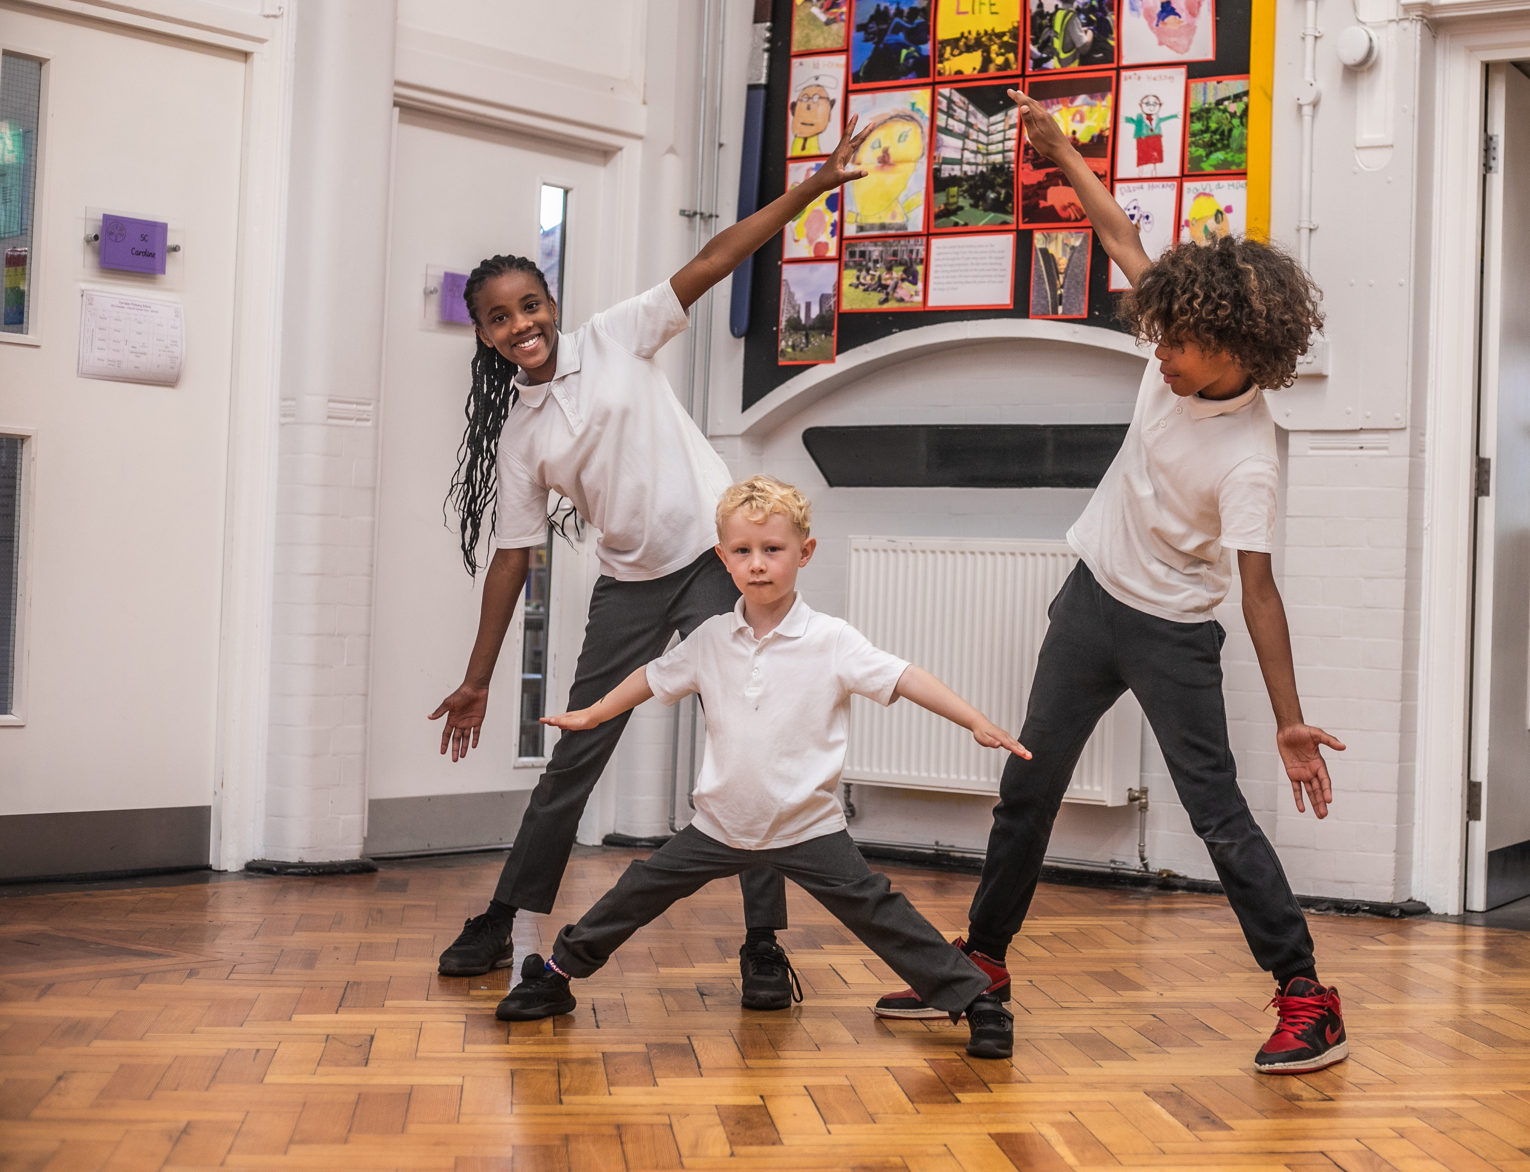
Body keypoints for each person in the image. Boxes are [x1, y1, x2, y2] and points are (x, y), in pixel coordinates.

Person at [871, 89, 1350, 1076]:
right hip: (1091, 603)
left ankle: (1307, 994)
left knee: (1217, 814)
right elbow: (1122, 231)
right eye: (1160, 336)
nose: (1160, 354)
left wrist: (1293, 716)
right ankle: (982, 966)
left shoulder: (1252, 458)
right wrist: (1056, 148)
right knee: (1025, 788)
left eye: (1180, 344)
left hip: (1173, 631)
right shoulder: (1174, 337)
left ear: (1242, 349)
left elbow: (1259, 591)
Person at [429, 114, 878, 1010]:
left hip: (719, 563)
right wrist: (478, 677)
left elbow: (714, 260)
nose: (521, 323)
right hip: (631, 582)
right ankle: (506, 913)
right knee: (575, 752)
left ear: (552, 303)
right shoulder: (520, 436)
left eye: (530, 305)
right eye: (499, 318)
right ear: (482, 335)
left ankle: (761, 945)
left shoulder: (614, 336)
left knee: (751, 744)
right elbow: (512, 563)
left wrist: (813, 188)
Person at [494, 477, 1027, 1061]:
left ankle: (979, 1002)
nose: (757, 565)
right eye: (743, 552)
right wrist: (596, 712)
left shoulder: (831, 640)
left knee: (882, 913)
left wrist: (974, 719)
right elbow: (654, 676)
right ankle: (556, 974)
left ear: (805, 552)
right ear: (722, 558)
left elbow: (904, 676)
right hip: (719, 825)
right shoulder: (709, 639)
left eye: (772, 550)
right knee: (635, 892)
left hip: (808, 827)